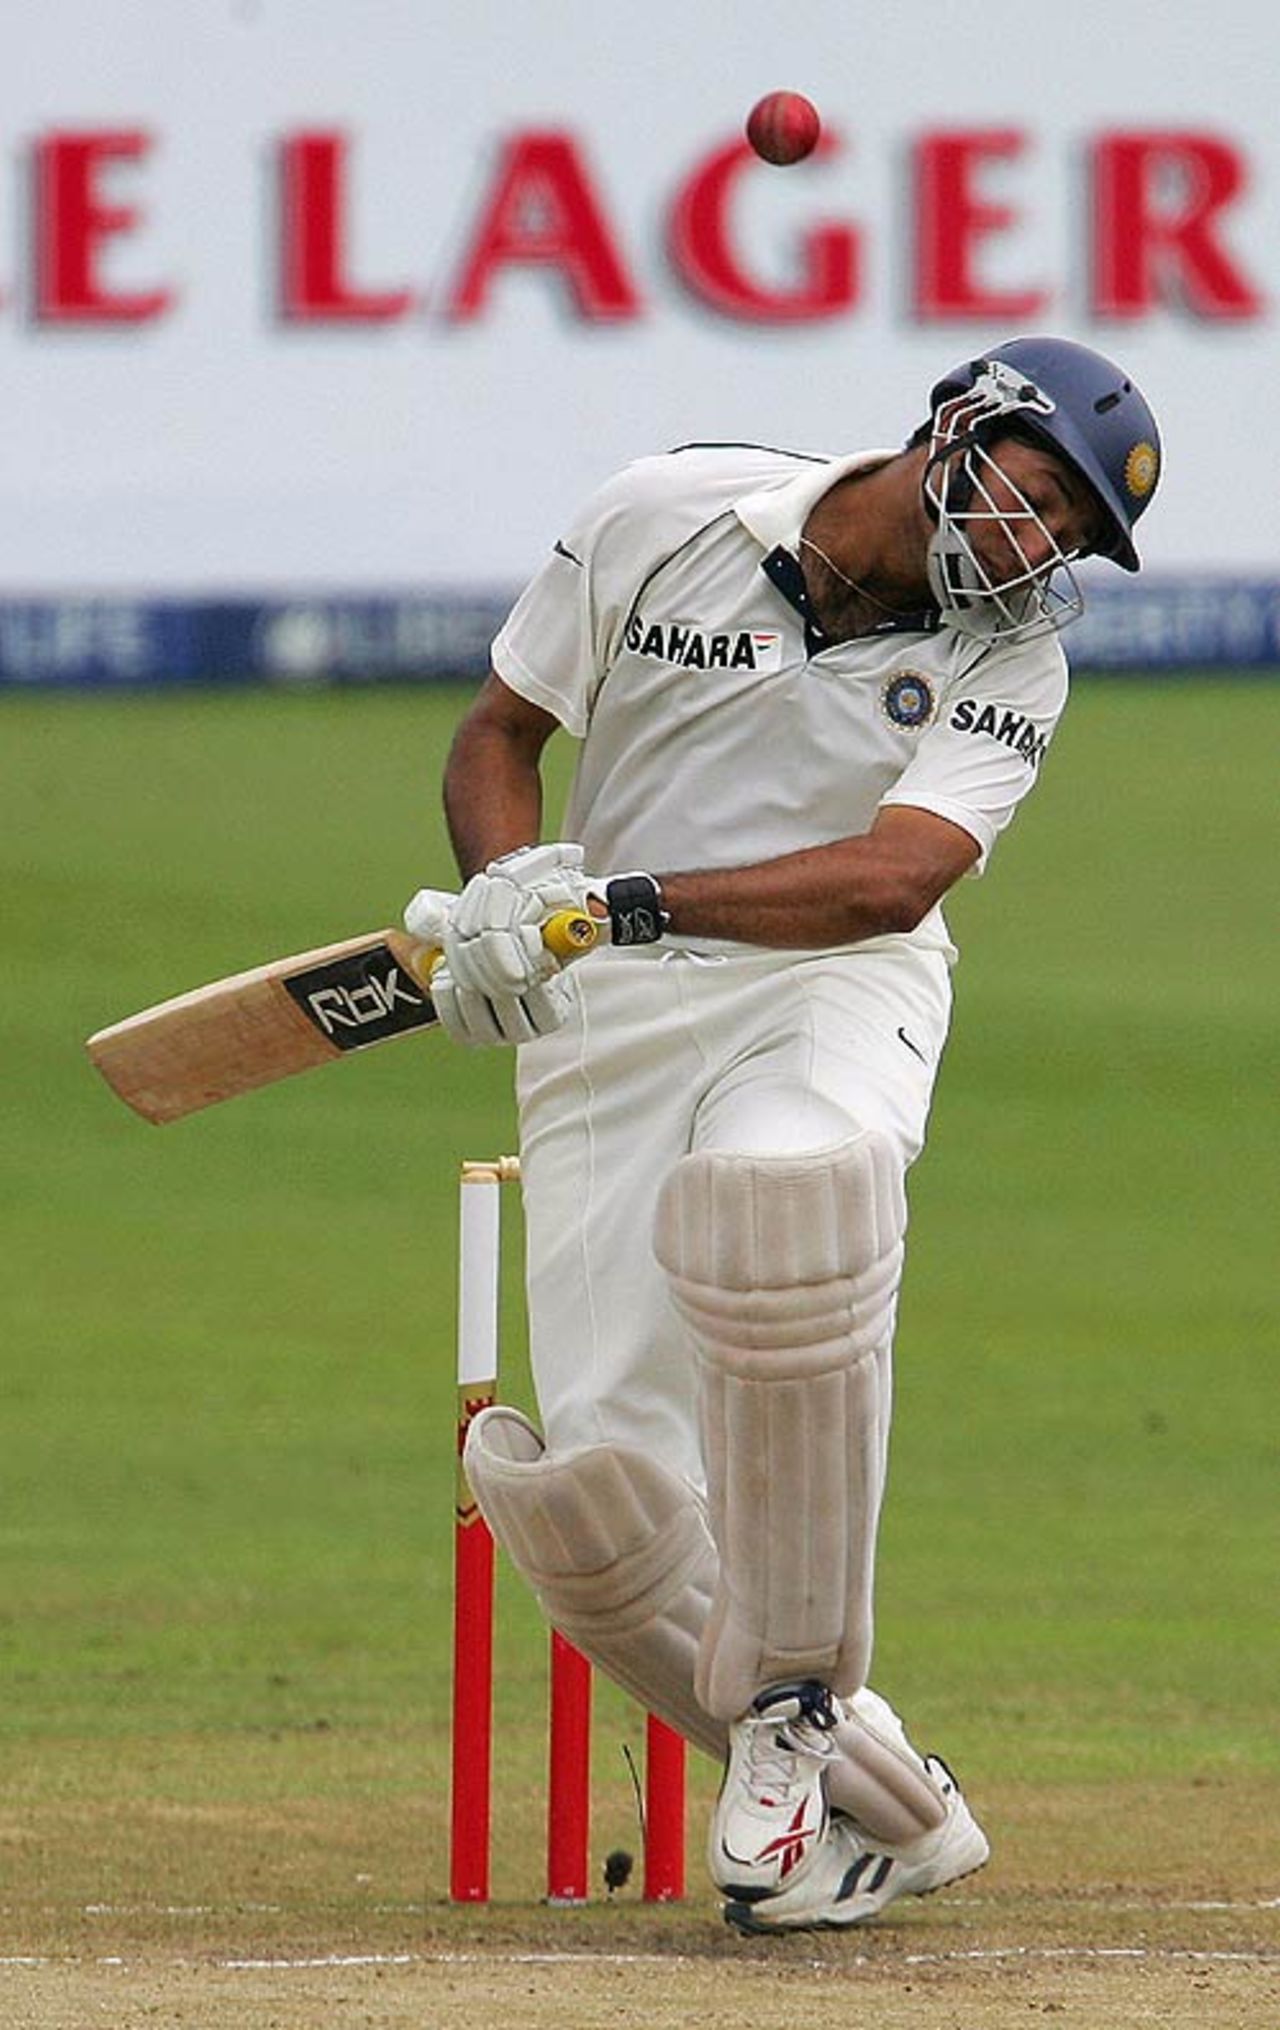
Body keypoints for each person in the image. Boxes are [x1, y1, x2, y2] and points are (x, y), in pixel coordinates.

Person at [406, 336, 1162, 1931]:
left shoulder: (1013, 660)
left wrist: (611, 896)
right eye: (1040, 503)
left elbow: (893, 879)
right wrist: (502, 888)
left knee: (788, 1198)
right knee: (602, 1509)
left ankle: (802, 1693)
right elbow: (502, 735)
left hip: (836, 983)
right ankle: (890, 1812)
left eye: (1075, 542)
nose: (1041, 556)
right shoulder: (663, 512)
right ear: (959, 426)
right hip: (605, 1010)